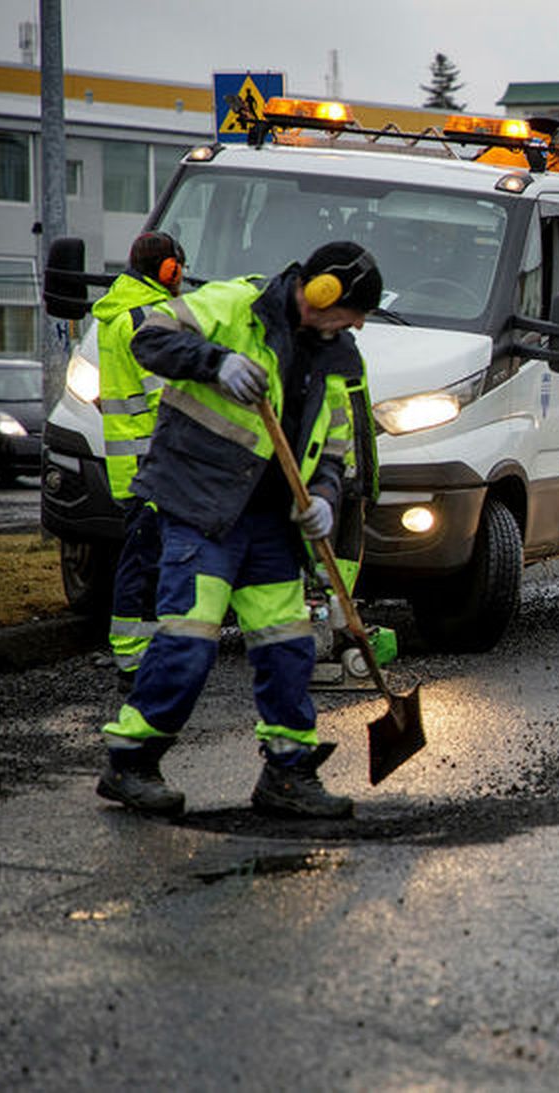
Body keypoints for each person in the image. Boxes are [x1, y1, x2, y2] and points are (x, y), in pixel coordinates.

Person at [95, 241, 382, 820]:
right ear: (322, 291)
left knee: (288, 647)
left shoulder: (338, 356)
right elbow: (148, 338)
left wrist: (324, 498)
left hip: (272, 523)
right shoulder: (237, 305)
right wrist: (215, 363)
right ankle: (130, 763)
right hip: (201, 507)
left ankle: (288, 773)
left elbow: (334, 448)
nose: (354, 324)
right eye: (351, 311)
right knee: (188, 643)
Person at [93, 231, 185, 693]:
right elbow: (165, 398)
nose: (182, 278)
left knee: (145, 559)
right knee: (146, 562)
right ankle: (133, 657)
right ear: (168, 269)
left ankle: (143, 654)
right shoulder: (148, 318)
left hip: (128, 463)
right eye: (179, 269)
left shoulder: (116, 314)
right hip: (153, 463)